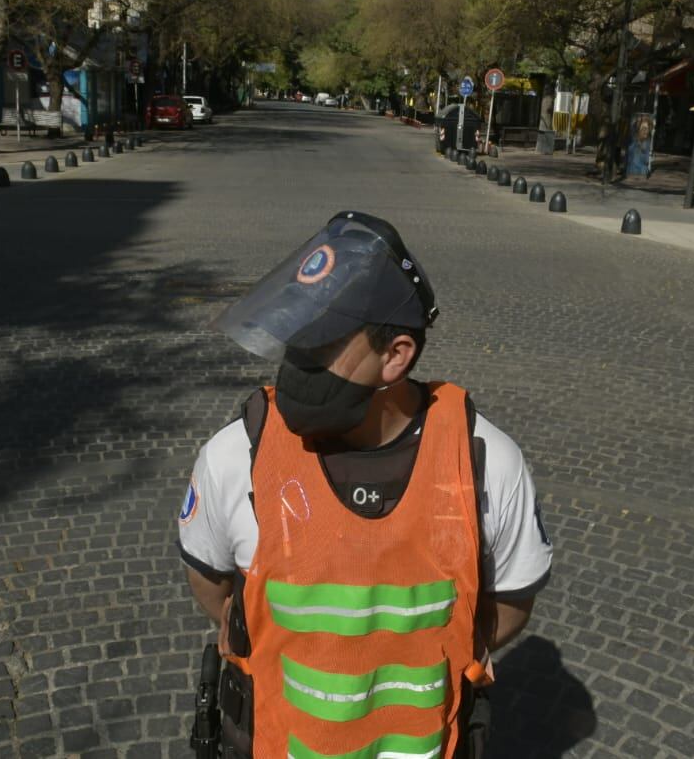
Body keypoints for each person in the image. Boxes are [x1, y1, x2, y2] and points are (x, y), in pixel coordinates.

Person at [178, 211, 553, 758]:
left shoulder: (485, 462)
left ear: (396, 355)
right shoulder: (235, 456)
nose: (296, 364)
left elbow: (512, 603)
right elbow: (215, 591)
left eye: (322, 343)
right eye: (295, 334)